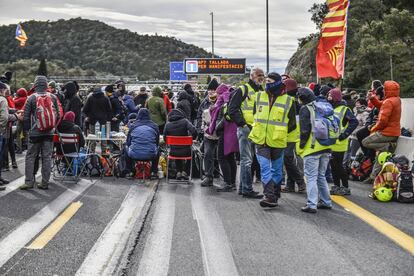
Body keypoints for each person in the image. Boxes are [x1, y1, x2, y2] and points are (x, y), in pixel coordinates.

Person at [249, 73, 296, 207]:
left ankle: (274, 195)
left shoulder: (289, 101)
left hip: (278, 140)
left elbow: (292, 123)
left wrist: (279, 132)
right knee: (265, 168)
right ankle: (269, 196)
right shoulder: (259, 96)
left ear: (277, 82)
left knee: (276, 171)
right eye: (266, 81)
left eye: (269, 81)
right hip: (261, 140)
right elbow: (255, 115)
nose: (266, 83)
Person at [20, 76, 62, 190]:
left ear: (35, 85)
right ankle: (44, 183)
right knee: (47, 157)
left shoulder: (31, 98)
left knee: (30, 157)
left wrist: (28, 130)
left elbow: (26, 116)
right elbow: (58, 114)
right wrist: (52, 126)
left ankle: (29, 182)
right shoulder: (53, 97)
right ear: (46, 85)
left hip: (35, 133)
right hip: (49, 133)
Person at [228, 68, 265, 198]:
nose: (262, 78)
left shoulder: (260, 91)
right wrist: (243, 124)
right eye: (259, 75)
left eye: (263, 76)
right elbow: (231, 110)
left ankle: (243, 188)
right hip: (245, 129)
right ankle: (247, 189)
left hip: (255, 129)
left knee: (247, 160)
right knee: (246, 160)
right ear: (252, 76)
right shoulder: (243, 90)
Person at [296, 87, 332, 213]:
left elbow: (304, 130)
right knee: (321, 176)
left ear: (302, 98)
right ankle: (326, 201)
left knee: (311, 177)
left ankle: (312, 204)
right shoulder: (321, 106)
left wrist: (301, 145)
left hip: (312, 148)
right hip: (326, 146)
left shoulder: (305, 109)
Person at [362, 80, 402, 184]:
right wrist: (372, 98)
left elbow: (383, 121)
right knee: (380, 156)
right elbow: (382, 105)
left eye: (385, 89)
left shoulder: (388, 101)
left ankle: (387, 146)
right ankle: (373, 177)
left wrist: (373, 128)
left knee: (365, 142)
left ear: (388, 90)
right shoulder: (396, 99)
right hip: (395, 132)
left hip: (387, 134)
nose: (383, 90)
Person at [207, 84, 239, 192]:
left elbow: (223, 118)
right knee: (230, 158)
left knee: (221, 157)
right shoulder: (233, 98)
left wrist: (216, 127)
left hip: (225, 133)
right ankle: (233, 183)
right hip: (233, 132)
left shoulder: (223, 102)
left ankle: (227, 183)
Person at [327, 88, 358, 196]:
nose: (328, 98)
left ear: (335, 97)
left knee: (338, 166)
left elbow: (354, 122)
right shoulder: (330, 108)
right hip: (331, 142)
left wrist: (344, 135)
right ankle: (336, 185)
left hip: (340, 142)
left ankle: (345, 187)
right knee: (333, 165)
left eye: (330, 96)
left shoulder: (345, 109)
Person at [281, 78, 306, 193]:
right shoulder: (296, 100)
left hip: (290, 135)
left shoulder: (289, 101)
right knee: (289, 160)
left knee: (288, 160)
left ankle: (300, 182)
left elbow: (292, 122)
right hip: (294, 135)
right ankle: (290, 185)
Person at [126, 108, 160, 179]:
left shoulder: (133, 126)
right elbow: (157, 143)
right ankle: (154, 172)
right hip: (150, 154)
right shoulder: (154, 126)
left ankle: (130, 171)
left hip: (134, 154)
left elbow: (128, 142)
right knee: (158, 149)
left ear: (138, 115)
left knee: (125, 148)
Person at [164, 109, 197, 180]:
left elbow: (165, 139)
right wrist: (192, 139)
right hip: (186, 151)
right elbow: (194, 130)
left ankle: (179, 172)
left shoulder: (167, 125)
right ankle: (185, 172)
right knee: (192, 153)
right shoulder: (185, 121)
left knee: (176, 149)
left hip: (173, 152)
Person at [0, 82, 22, 190]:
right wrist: (16, 116)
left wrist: (16, 111)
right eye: (5, 90)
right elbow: (4, 117)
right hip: (2, 130)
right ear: (2, 90)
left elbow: (6, 110)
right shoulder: (3, 99)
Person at [200, 87, 219, 187]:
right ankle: (208, 176)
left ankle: (228, 179)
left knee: (223, 157)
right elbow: (201, 117)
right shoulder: (204, 105)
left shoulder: (222, 104)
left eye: (214, 90)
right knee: (208, 154)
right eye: (210, 90)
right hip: (208, 135)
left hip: (219, 134)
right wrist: (201, 129)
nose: (211, 92)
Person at [2, 87, 17, 170]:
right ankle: (13, 162)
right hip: (9, 125)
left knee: (5, 145)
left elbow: (6, 115)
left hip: (5, 126)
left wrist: (16, 115)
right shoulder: (9, 98)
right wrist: (17, 113)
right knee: (10, 144)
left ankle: (6, 165)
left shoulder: (5, 99)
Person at [13, 88, 27, 154]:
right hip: (26, 117)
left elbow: (14, 101)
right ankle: (25, 146)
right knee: (25, 132)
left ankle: (19, 149)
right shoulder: (26, 98)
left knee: (18, 133)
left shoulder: (21, 99)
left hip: (20, 117)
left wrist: (15, 97)